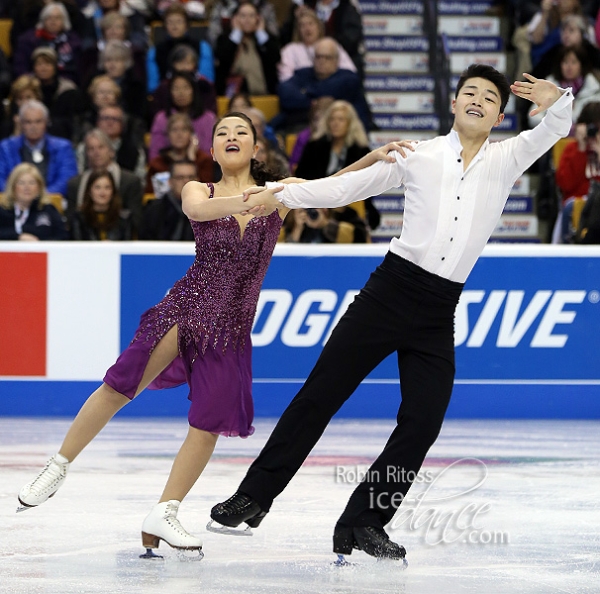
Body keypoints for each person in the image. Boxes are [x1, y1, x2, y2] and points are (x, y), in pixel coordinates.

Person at [209, 65, 574, 562]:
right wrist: (282, 193)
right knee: (320, 394)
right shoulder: (418, 155)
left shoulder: (508, 158)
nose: (477, 101)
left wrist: (557, 98)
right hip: (389, 292)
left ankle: (363, 522)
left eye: (488, 98)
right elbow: (345, 190)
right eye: (468, 92)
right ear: (452, 103)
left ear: (499, 115)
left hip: (438, 309)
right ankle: (254, 496)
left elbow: (555, 127)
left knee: (423, 421)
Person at [16, 110, 406, 557]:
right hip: (186, 309)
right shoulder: (200, 189)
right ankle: (59, 464)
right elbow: (198, 210)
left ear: (256, 147)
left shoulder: (279, 193)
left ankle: (164, 511)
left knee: (208, 423)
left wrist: (373, 158)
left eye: (242, 131)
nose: (232, 136)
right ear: (213, 149)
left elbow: (332, 186)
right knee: (121, 385)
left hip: (231, 329)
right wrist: (254, 200)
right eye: (223, 132)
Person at [295, 99, 379, 234]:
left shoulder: (361, 151)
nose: (335, 123)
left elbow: (367, 184)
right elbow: (301, 177)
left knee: (354, 226)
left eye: (341, 119)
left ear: (350, 123)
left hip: (348, 206)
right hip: (315, 202)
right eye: (332, 119)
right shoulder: (314, 147)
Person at [275, 37, 371, 132]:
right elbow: (284, 90)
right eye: (318, 57)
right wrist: (312, 103)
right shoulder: (303, 73)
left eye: (327, 57)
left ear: (336, 60)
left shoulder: (348, 78)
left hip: (346, 132)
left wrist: (305, 91)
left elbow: (330, 89)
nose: (321, 61)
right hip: (301, 127)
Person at [67, 128, 143, 232]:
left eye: (101, 147)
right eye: (91, 149)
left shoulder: (130, 181)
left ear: (111, 152)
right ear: (86, 154)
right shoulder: (75, 184)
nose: (96, 152)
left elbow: (135, 221)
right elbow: (71, 223)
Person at [0, 99, 78, 198]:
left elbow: (67, 179)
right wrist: (19, 196)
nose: (33, 126)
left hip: (51, 203)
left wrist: (41, 197)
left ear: (46, 122)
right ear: (21, 124)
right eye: (28, 122)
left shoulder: (63, 147)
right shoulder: (6, 147)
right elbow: (1, 179)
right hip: (14, 203)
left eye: (38, 121)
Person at [213, 0, 280, 97]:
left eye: (252, 16)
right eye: (243, 16)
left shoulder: (266, 39)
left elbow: (275, 58)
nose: (247, 20)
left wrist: (260, 32)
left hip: (264, 95)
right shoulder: (225, 39)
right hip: (233, 97)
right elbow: (223, 60)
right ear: (235, 18)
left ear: (258, 18)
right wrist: (237, 33)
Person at [149, 71, 216, 160]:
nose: (181, 93)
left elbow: (210, 153)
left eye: (186, 87)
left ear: (194, 90)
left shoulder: (208, 118)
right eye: (176, 88)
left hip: (200, 167)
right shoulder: (161, 118)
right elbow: (155, 154)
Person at [277, 6, 356, 82]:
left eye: (311, 24)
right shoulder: (290, 50)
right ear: (298, 30)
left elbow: (350, 70)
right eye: (303, 25)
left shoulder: (331, 45)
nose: (307, 29)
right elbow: (285, 77)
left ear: (319, 27)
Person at [145, 113, 215, 194]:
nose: (179, 134)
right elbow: (150, 195)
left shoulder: (204, 160)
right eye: (174, 130)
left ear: (191, 135)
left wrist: (192, 160)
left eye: (184, 130)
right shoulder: (157, 164)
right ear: (167, 135)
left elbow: (207, 192)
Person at [0, 163, 67, 240]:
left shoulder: (48, 210)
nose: (27, 187)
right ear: (13, 187)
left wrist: (39, 241)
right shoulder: (3, 211)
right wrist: (18, 237)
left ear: (39, 187)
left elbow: (63, 237)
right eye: (21, 183)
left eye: (32, 183)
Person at [140, 159, 198, 240]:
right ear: (170, 181)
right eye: (180, 177)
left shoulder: (208, 211)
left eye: (191, 177)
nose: (186, 181)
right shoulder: (154, 210)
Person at [70, 169, 133, 240]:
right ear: (90, 191)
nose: (102, 193)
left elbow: (127, 247)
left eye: (107, 188)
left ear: (113, 191)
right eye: (97, 188)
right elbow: (77, 247)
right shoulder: (79, 218)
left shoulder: (124, 218)